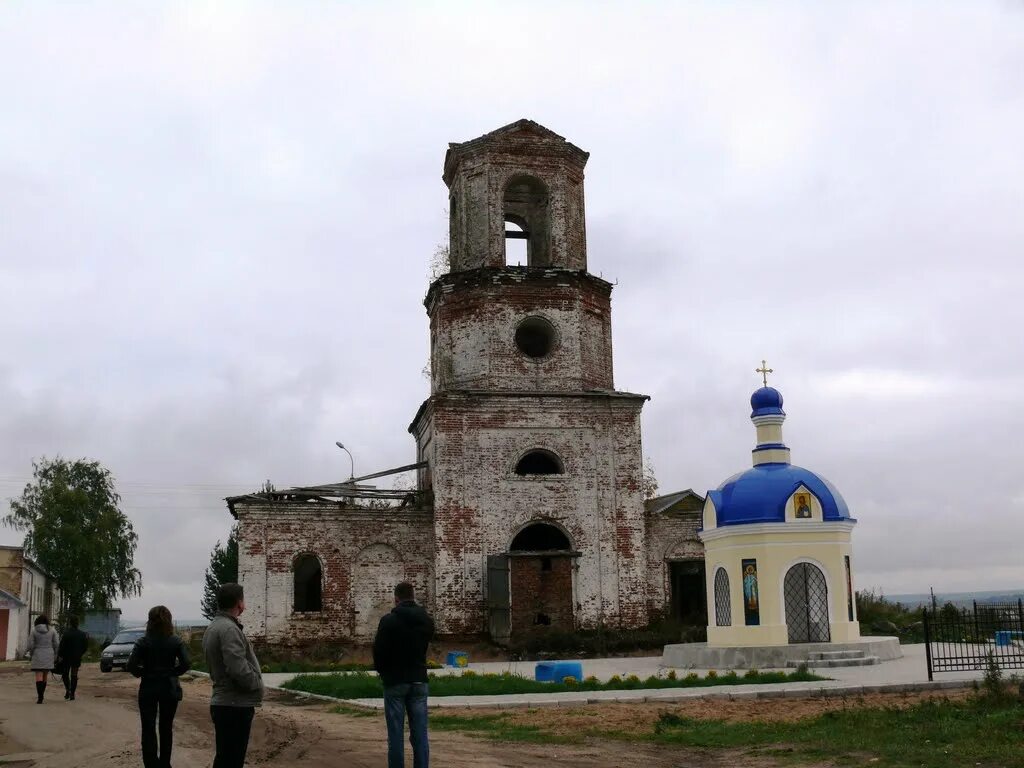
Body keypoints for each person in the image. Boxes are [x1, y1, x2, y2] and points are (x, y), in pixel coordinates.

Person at [373, 582, 434, 768]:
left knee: (395, 735)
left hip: (395, 681)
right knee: (420, 734)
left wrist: (383, 672)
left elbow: (379, 652)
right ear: (413, 596)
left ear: (396, 598)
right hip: (418, 680)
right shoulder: (426, 620)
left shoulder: (388, 621)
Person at [203, 583, 263, 768]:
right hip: (234, 705)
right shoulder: (229, 629)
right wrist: (256, 683)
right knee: (232, 761)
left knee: (224, 759)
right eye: (243, 599)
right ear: (239, 603)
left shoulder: (215, 626)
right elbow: (237, 668)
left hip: (226, 703)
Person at [127, 606, 191, 768]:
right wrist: (172, 672)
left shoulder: (142, 642)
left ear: (150, 621)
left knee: (148, 727)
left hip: (148, 687)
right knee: (166, 727)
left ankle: (151, 764)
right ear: (169, 620)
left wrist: (143, 673)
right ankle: (165, 763)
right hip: (169, 687)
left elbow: (131, 666)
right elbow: (186, 663)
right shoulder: (175, 640)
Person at [26, 614, 59, 703]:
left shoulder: (34, 630)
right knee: (45, 676)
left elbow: (30, 645)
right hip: (49, 654)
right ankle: (42, 695)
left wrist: (31, 653)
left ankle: (40, 698)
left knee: (38, 676)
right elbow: (56, 644)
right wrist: (55, 655)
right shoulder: (52, 630)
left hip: (37, 654)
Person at [57, 615, 89, 701]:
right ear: (78, 623)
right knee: (74, 674)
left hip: (66, 657)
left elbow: (61, 646)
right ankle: (72, 694)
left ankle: (68, 690)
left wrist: (60, 656)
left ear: (70, 623)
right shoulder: (82, 634)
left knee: (65, 674)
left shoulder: (66, 634)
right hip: (76, 657)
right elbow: (85, 647)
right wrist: (80, 653)